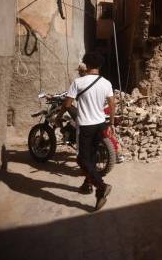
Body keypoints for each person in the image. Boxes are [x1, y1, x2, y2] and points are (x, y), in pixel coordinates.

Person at [55, 52, 115, 211]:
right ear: (99, 66)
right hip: (101, 124)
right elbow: (112, 104)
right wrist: (112, 123)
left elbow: (67, 104)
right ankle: (88, 184)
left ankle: (101, 187)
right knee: (93, 155)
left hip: (86, 126)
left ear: (86, 65)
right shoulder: (106, 83)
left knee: (82, 159)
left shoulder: (78, 82)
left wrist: (59, 117)